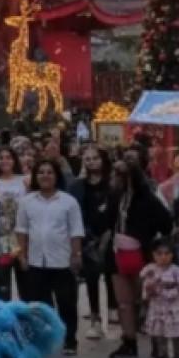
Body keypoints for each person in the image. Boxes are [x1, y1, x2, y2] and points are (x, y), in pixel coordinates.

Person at [15, 159, 84, 356]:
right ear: (35, 177)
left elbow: (75, 231)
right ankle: (44, 339)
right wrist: (22, 255)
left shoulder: (68, 202)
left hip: (62, 261)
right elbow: (21, 230)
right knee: (40, 304)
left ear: (56, 176)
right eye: (41, 172)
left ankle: (70, 340)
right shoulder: (26, 202)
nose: (45, 176)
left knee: (66, 302)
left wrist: (76, 254)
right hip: (36, 261)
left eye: (50, 172)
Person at [106, 161, 173, 358]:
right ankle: (129, 340)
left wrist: (149, 238)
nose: (116, 178)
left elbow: (166, 222)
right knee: (124, 302)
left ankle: (156, 343)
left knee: (147, 299)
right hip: (117, 251)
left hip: (141, 252)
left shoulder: (147, 198)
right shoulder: (115, 197)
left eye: (121, 174)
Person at [69, 145, 112, 339]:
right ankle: (94, 318)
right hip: (87, 238)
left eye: (95, 158)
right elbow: (74, 212)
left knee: (114, 276)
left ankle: (114, 310)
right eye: (87, 159)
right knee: (91, 278)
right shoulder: (77, 186)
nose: (91, 162)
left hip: (111, 235)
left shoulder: (113, 183)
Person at [140, 237, 179, 358]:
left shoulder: (176, 271)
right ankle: (162, 355)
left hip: (172, 308)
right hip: (157, 307)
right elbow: (146, 290)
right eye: (159, 254)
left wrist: (171, 288)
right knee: (159, 333)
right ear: (154, 255)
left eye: (167, 254)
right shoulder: (150, 270)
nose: (163, 257)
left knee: (175, 334)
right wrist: (150, 289)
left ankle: (177, 357)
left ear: (172, 255)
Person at [0, 146, 27, 300]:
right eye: (0, 158)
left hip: (23, 235)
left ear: (14, 160)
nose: (4, 161)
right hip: (2, 237)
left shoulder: (24, 179)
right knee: (3, 282)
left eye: (8, 157)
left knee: (26, 281)